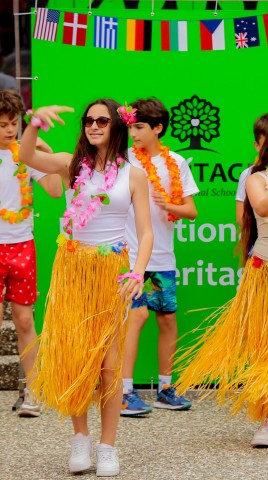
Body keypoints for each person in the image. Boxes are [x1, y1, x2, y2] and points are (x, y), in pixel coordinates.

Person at [175, 114, 268, 449]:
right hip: (264, 273)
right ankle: (267, 420)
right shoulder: (255, 178)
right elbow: (263, 206)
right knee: (264, 346)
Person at [20, 100, 153, 477]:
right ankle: (80, 438)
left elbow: (145, 232)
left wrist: (138, 272)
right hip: (73, 269)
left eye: (102, 120)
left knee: (110, 364)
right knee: (76, 357)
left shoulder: (133, 175)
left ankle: (107, 446)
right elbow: (27, 156)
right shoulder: (70, 164)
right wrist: (34, 123)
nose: (93, 126)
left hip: (111, 274)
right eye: (88, 120)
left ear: (117, 126)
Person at [120, 98, 199, 417]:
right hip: (130, 257)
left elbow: (191, 211)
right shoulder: (122, 159)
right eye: (131, 127)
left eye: (139, 127)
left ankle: (166, 389)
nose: (134, 133)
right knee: (134, 318)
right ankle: (124, 391)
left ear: (158, 128)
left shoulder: (176, 162)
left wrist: (169, 205)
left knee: (167, 320)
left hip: (163, 257)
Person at [0, 89, 62, 417]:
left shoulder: (26, 154)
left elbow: (54, 191)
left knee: (24, 320)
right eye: (3, 125)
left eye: (14, 123)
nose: (10, 130)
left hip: (22, 244)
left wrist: (50, 158)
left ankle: (33, 393)